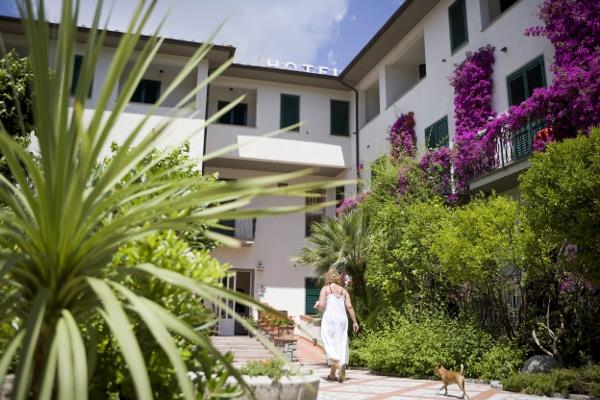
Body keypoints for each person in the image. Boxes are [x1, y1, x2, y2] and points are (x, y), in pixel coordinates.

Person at [314, 269, 359, 382]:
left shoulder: (325, 289)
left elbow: (322, 306)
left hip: (330, 319)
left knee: (328, 340)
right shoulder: (344, 291)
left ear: (328, 278)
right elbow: (349, 307)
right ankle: (334, 372)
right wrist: (355, 322)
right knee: (341, 343)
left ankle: (337, 360)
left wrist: (317, 305)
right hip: (342, 320)